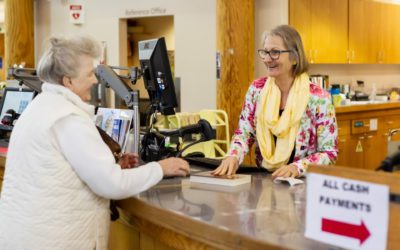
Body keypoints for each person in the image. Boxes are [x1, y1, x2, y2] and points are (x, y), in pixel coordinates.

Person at [0, 35, 189, 249]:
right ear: (68, 81)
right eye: (89, 74)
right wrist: (161, 168)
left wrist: (112, 165)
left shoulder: (41, 107)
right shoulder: (67, 118)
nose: (95, 80)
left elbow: (65, 169)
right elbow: (111, 185)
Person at [212, 25, 338, 178]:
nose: (267, 58)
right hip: (266, 180)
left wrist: (297, 167)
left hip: (303, 183)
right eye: (265, 52)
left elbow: (329, 153)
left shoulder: (319, 98)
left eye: (275, 52)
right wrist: (233, 155)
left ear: (294, 57)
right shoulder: (256, 90)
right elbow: (245, 133)